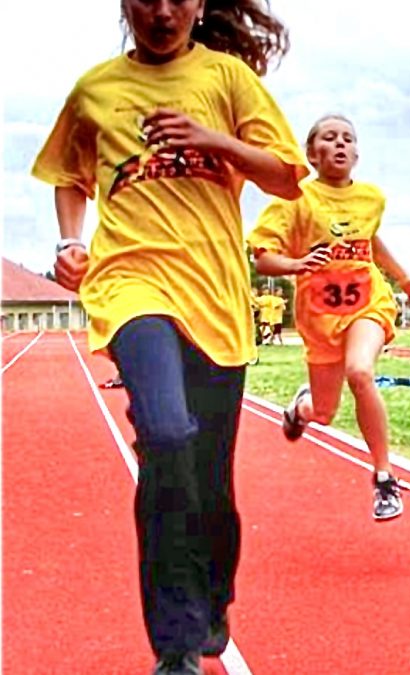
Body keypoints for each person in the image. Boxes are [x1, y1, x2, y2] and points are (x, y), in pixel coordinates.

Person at [33, 2, 306, 673]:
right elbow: (70, 179)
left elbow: (286, 175)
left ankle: (211, 596)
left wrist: (214, 141)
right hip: (130, 282)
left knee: (208, 474)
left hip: (214, 295)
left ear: (201, 4)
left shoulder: (227, 79)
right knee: (165, 433)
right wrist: (72, 241)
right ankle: (176, 644)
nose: (161, 11)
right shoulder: (96, 89)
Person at [248, 113, 410, 524]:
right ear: (312, 153)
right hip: (319, 316)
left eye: (348, 138)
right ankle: (300, 409)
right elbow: (262, 258)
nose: (340, 145)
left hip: (368, 303)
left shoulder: (371, 197)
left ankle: (384, 477)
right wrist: (296, 264)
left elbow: (370, 240)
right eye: (329, 138)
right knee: (326, 412)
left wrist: (402, 277)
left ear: (357, 152)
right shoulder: (294, 199)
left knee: (360, 371)